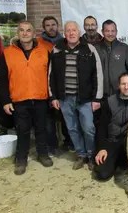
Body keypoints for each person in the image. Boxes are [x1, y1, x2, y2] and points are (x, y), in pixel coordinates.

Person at [0, 21, 53, 175]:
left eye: (28, 30)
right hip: (19, 100)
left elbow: (51, 75)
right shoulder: (7, 53)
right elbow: (1, 79)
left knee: (42, 129)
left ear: (34, 34)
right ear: (18, 33)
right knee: (22, 130)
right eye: (22, 30)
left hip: (40, 98)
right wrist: (6, 101)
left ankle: (43, 154)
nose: (25, 33)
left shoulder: (44, 51)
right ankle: (21, 159)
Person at [49, 21, 102, 170]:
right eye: (68, 31)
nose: (71, 33)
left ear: (79, 32)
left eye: (74, 30)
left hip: (85, 98)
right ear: (64, 33)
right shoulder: (57, 49)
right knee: (72, 128)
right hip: (65, 98)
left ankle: (91, 155)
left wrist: (97, 98)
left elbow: (97, 74)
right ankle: (81, 155)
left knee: (89, 128)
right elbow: (51, 75)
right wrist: (53, 97)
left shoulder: (89, 49)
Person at [39, 16, 74, 155]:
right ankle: (52, 146)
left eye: (53, 24)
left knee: (65, 117)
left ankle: (68, 141)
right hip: (44, 85)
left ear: (58, 26)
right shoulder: (38, 43)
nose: (51, 27)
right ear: (44, 28)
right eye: (47, 25)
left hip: (63, 87)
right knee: (48, 119)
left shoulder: (64, 42)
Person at [94, 19, 128, 98]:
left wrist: (126, 84)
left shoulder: (124, 48)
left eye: (113, 31)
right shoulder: (96, 48)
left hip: (119, 92)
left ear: (116, 32)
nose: (110, 34)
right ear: (102, 31)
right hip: (100, 93)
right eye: (107, 31)